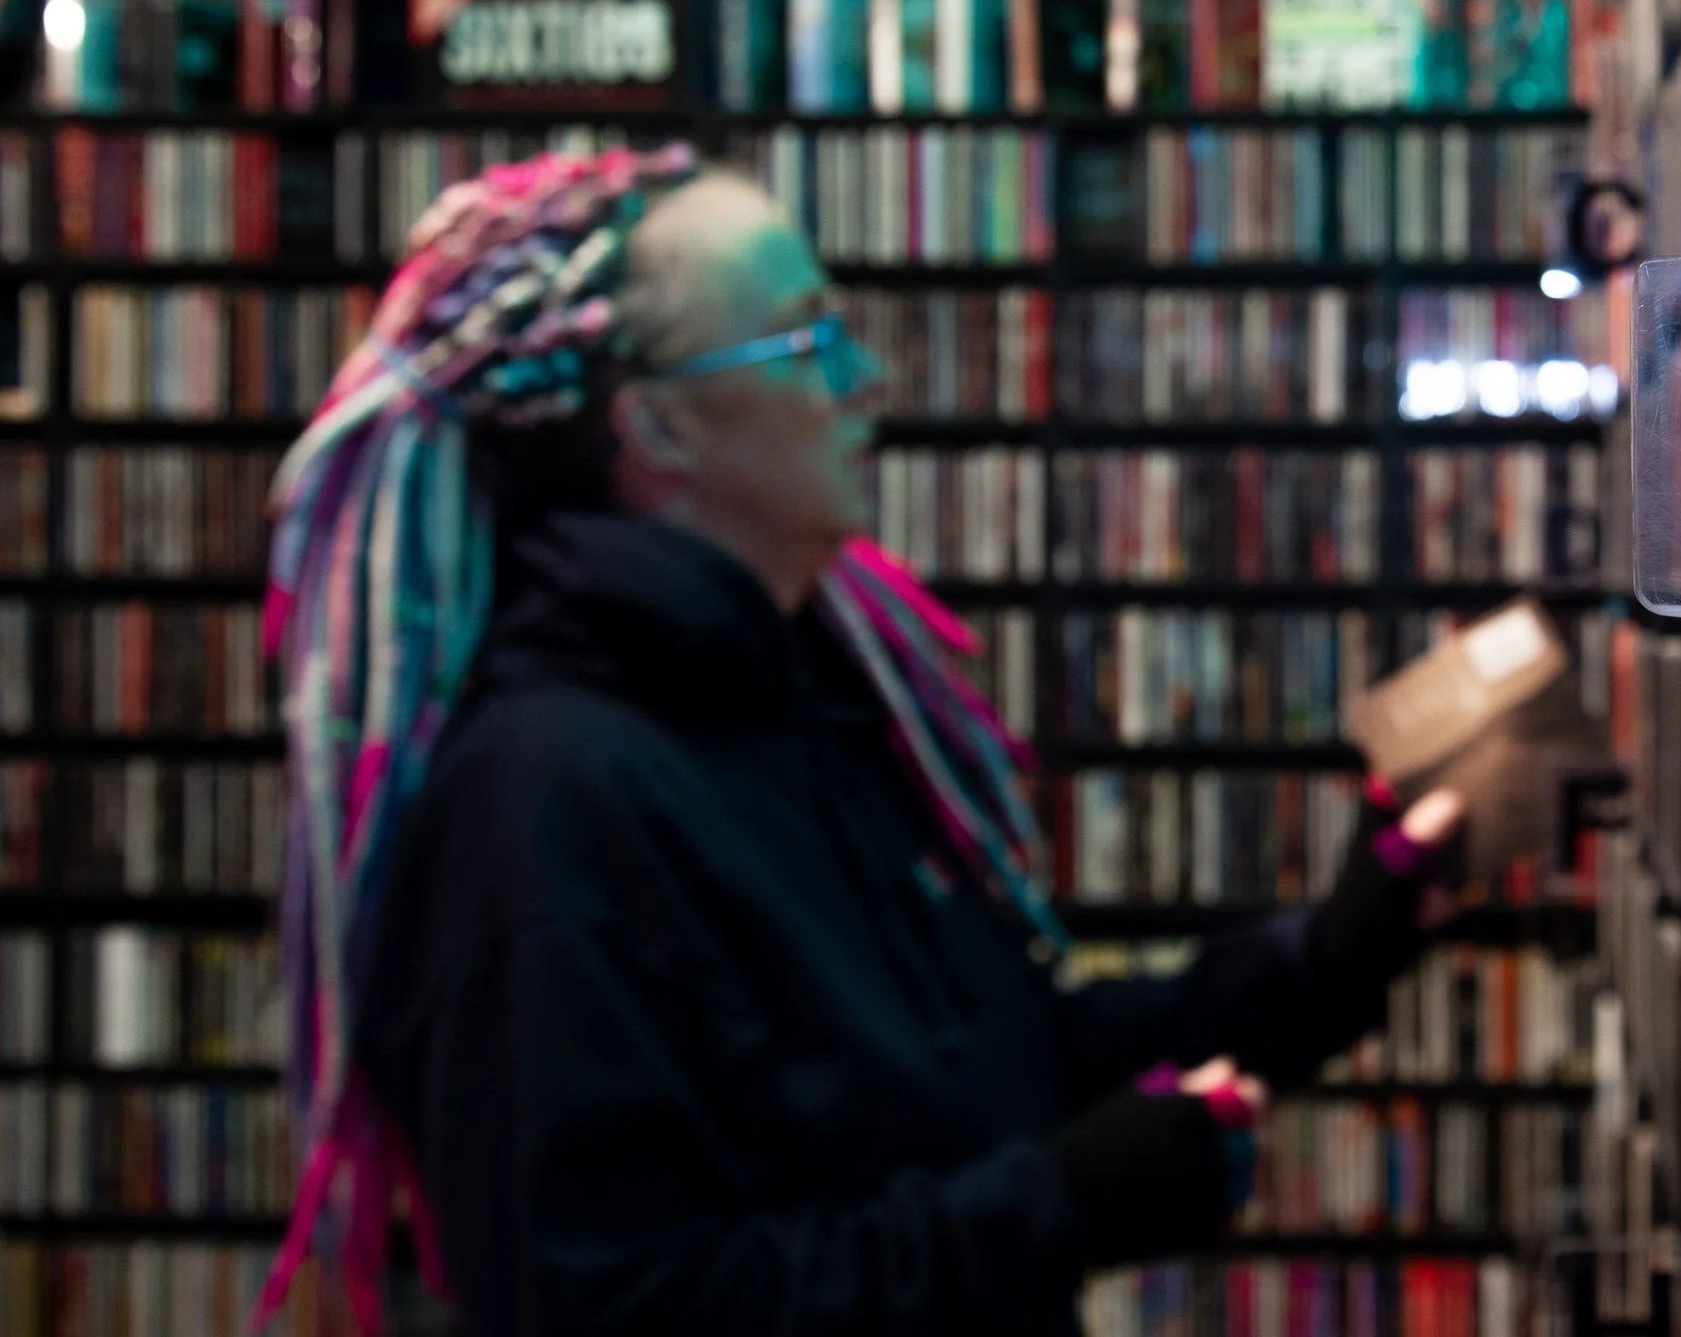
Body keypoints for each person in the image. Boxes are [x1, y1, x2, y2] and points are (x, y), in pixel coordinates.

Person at [258, 147, 1466, 1337]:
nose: (865, 378)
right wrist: (1054, 1207)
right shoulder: (543, 807)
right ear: (657, 431)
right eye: (807, 341)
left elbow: (988, 1065)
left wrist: (1329, 957)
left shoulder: (803, 700)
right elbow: (619, 1299)